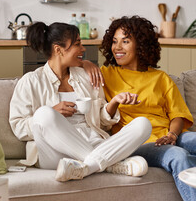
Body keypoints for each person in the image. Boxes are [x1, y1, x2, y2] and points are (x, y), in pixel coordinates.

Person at [91, 16, 196, 201]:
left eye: (125, 41)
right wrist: (87, 64)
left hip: (169, 136)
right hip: (138, 144)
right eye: (114, 41)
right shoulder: (106, 74)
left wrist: (172, 135)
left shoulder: (161, 78)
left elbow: (178, 115)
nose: (117, 47)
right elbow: (76, 66)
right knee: (178, 156)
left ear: (141, 45)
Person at [9, 22, 152, 182]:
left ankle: (88, 166)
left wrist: (114, 103)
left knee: (143, 124)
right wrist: (53, 111)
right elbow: (18, 126)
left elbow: (103, 124)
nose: (83, 49)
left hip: (92, 141)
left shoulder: (87, 76)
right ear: (58, 49)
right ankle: (110, 165)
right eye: (77, 44)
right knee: (44, 114)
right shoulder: (31, 81)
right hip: (53, 151)